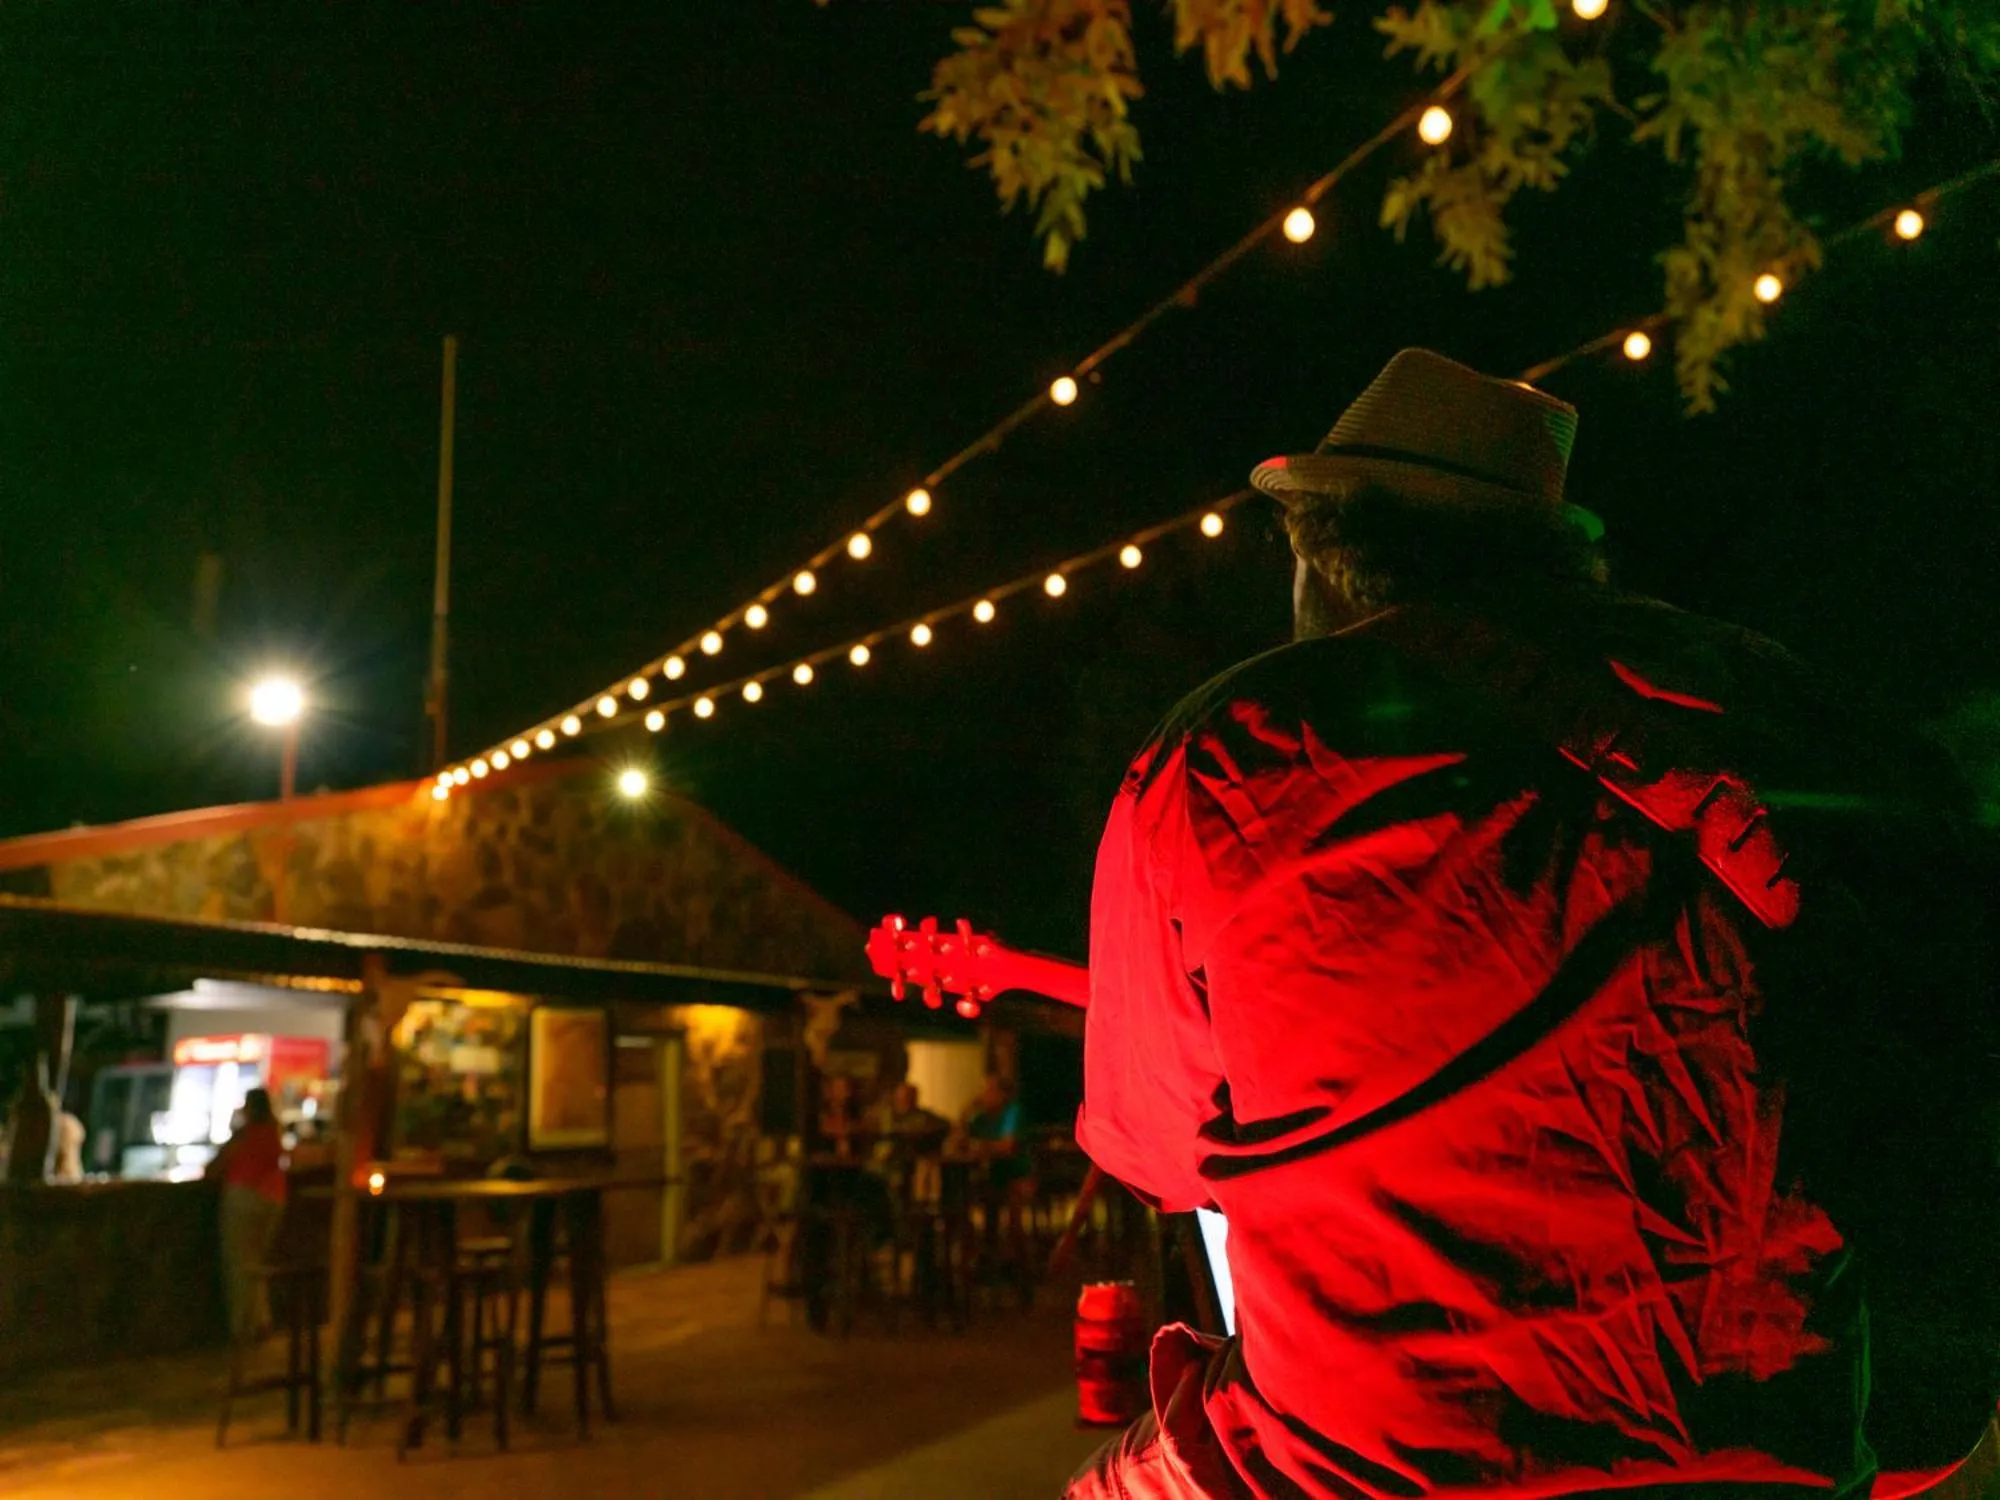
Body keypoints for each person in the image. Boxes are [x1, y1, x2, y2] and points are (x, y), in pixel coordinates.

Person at [1068, 350, 2000, 1498]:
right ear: (1553, 549)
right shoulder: (1781, 704)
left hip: (1368, 1471)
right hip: (1784, 1446)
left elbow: (1158, 1153)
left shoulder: (1231, 749)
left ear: (1321, 561)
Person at [207, 1087, 288, 1344]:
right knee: (257, 1262)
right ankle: (261, 1321)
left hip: (243, 1197)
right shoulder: (274, 1132)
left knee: (239, 1262)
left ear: (249, 1108)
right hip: (274, 1199)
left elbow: (215, 1167)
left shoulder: (244, 1134)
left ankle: (242, 1326)